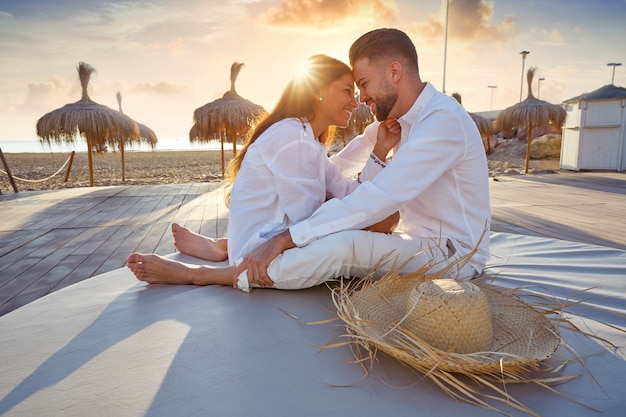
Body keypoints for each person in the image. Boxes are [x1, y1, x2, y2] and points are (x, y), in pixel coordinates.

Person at [233, 27, 491, 292]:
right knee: (341, 232)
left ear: (394, 71)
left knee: (344, 246)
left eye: (364, 84)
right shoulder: (403, 120)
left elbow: (380, 195)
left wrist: (284, 240)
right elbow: (349, 160)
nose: (361, 98)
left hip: (454, 255)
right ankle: (239, 262)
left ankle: (235, 275)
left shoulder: (441, 121)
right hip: (416, 240)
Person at [127, 54, 400, 286]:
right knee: (343, 246)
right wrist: (346, 211)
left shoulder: (310, 141)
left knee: (379, 218)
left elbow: (350, 193)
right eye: (346, 91)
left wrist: (377, 152)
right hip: (261, 252)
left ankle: (222, 246)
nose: (355, 102)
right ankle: (196, 274)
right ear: (317, 90)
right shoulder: (292, 136)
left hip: (265, 236)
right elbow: (306, 218)